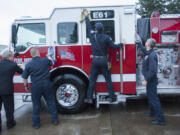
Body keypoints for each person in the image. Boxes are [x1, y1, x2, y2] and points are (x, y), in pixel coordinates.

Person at [82, 9, 125, 104]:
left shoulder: (93, 36)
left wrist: (86, 16)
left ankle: (89, 98)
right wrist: (122, 44)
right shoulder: (106, 37)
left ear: (96, 29)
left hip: (95, 61)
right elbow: (113, 47)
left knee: (92, 80)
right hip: (104, 61)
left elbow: (88, 27)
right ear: (103, 29)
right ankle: (112, 97)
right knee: (108, 80)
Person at [22, 47, 58, 129]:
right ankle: (55, 120)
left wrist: (26, 86)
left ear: (31, 55)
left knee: (36, 105)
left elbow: (24, 78)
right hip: (47, 84)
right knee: (50, 102)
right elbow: (52, 62)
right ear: (38, 53)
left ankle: (36, 124)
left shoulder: (28, 65)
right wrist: (49, 57)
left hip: (36, 86)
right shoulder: (45, 60)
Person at [136, 38, 166, 125]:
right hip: (150, 79)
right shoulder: (148, 52)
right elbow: (144, 50)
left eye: (147, 41)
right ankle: (152, 112)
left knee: (154, 99)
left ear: (149, 44)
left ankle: (161, 120)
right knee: (150, 97)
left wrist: (146, 80)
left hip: (151, 80)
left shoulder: (152, 55)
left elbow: (153, 70)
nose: (146, 41)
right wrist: (139, 44)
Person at [0, 50, 23, 131]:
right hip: (7, 91)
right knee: (9, 109)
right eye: (12, 56)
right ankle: (10, 124)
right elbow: (22, 72)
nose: (13, 58)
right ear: (9, 57)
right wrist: (21, 66)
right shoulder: (13, 65)